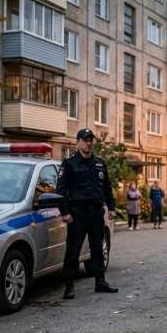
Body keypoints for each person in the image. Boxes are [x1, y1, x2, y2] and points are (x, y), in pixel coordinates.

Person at [56, 128, 120, 300]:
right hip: (77, 214)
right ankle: (69, 286)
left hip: (96, 213)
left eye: (91, 140)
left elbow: (107, 188)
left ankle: (100, 282)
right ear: (78, 142)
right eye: (85, 140)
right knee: (73, 251)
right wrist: (65, 212)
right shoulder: (69, 164)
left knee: (97, 249)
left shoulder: (99, 163)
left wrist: (111, 207)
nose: (89, 143)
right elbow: (60, 190)